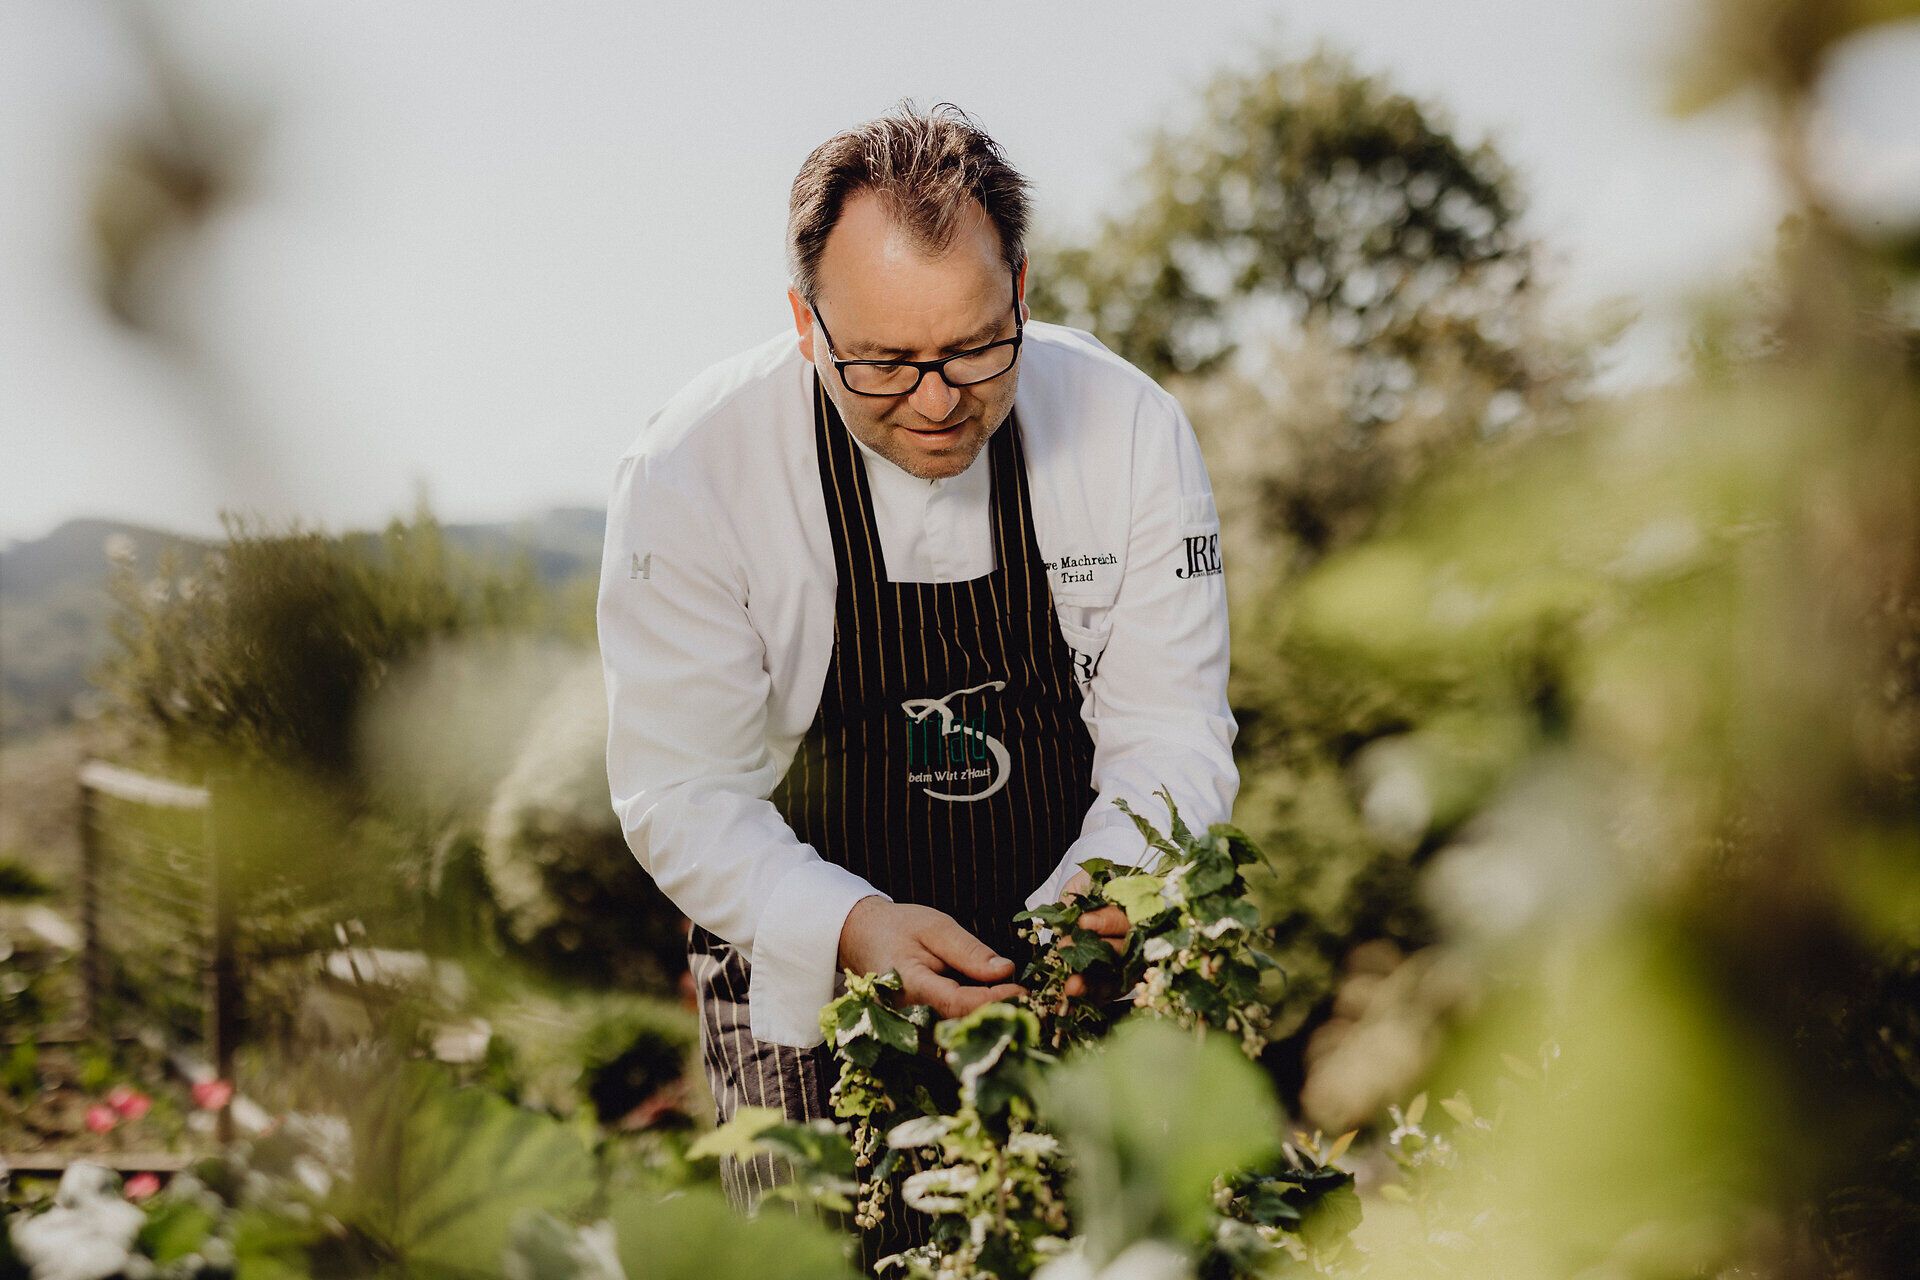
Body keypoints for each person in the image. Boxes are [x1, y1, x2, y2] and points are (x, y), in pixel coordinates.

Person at [595, 100, 1237, 1268]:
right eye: (885, 363)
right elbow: (680, 787)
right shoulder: (694, 470)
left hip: (1065, 951)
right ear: (806, 322)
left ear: (1022, 291)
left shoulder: (1132, 428)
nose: (938, 398)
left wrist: (1105, 889)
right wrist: (851, 926)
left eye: (977, 349)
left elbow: (1171, 729)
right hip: (806, 965)